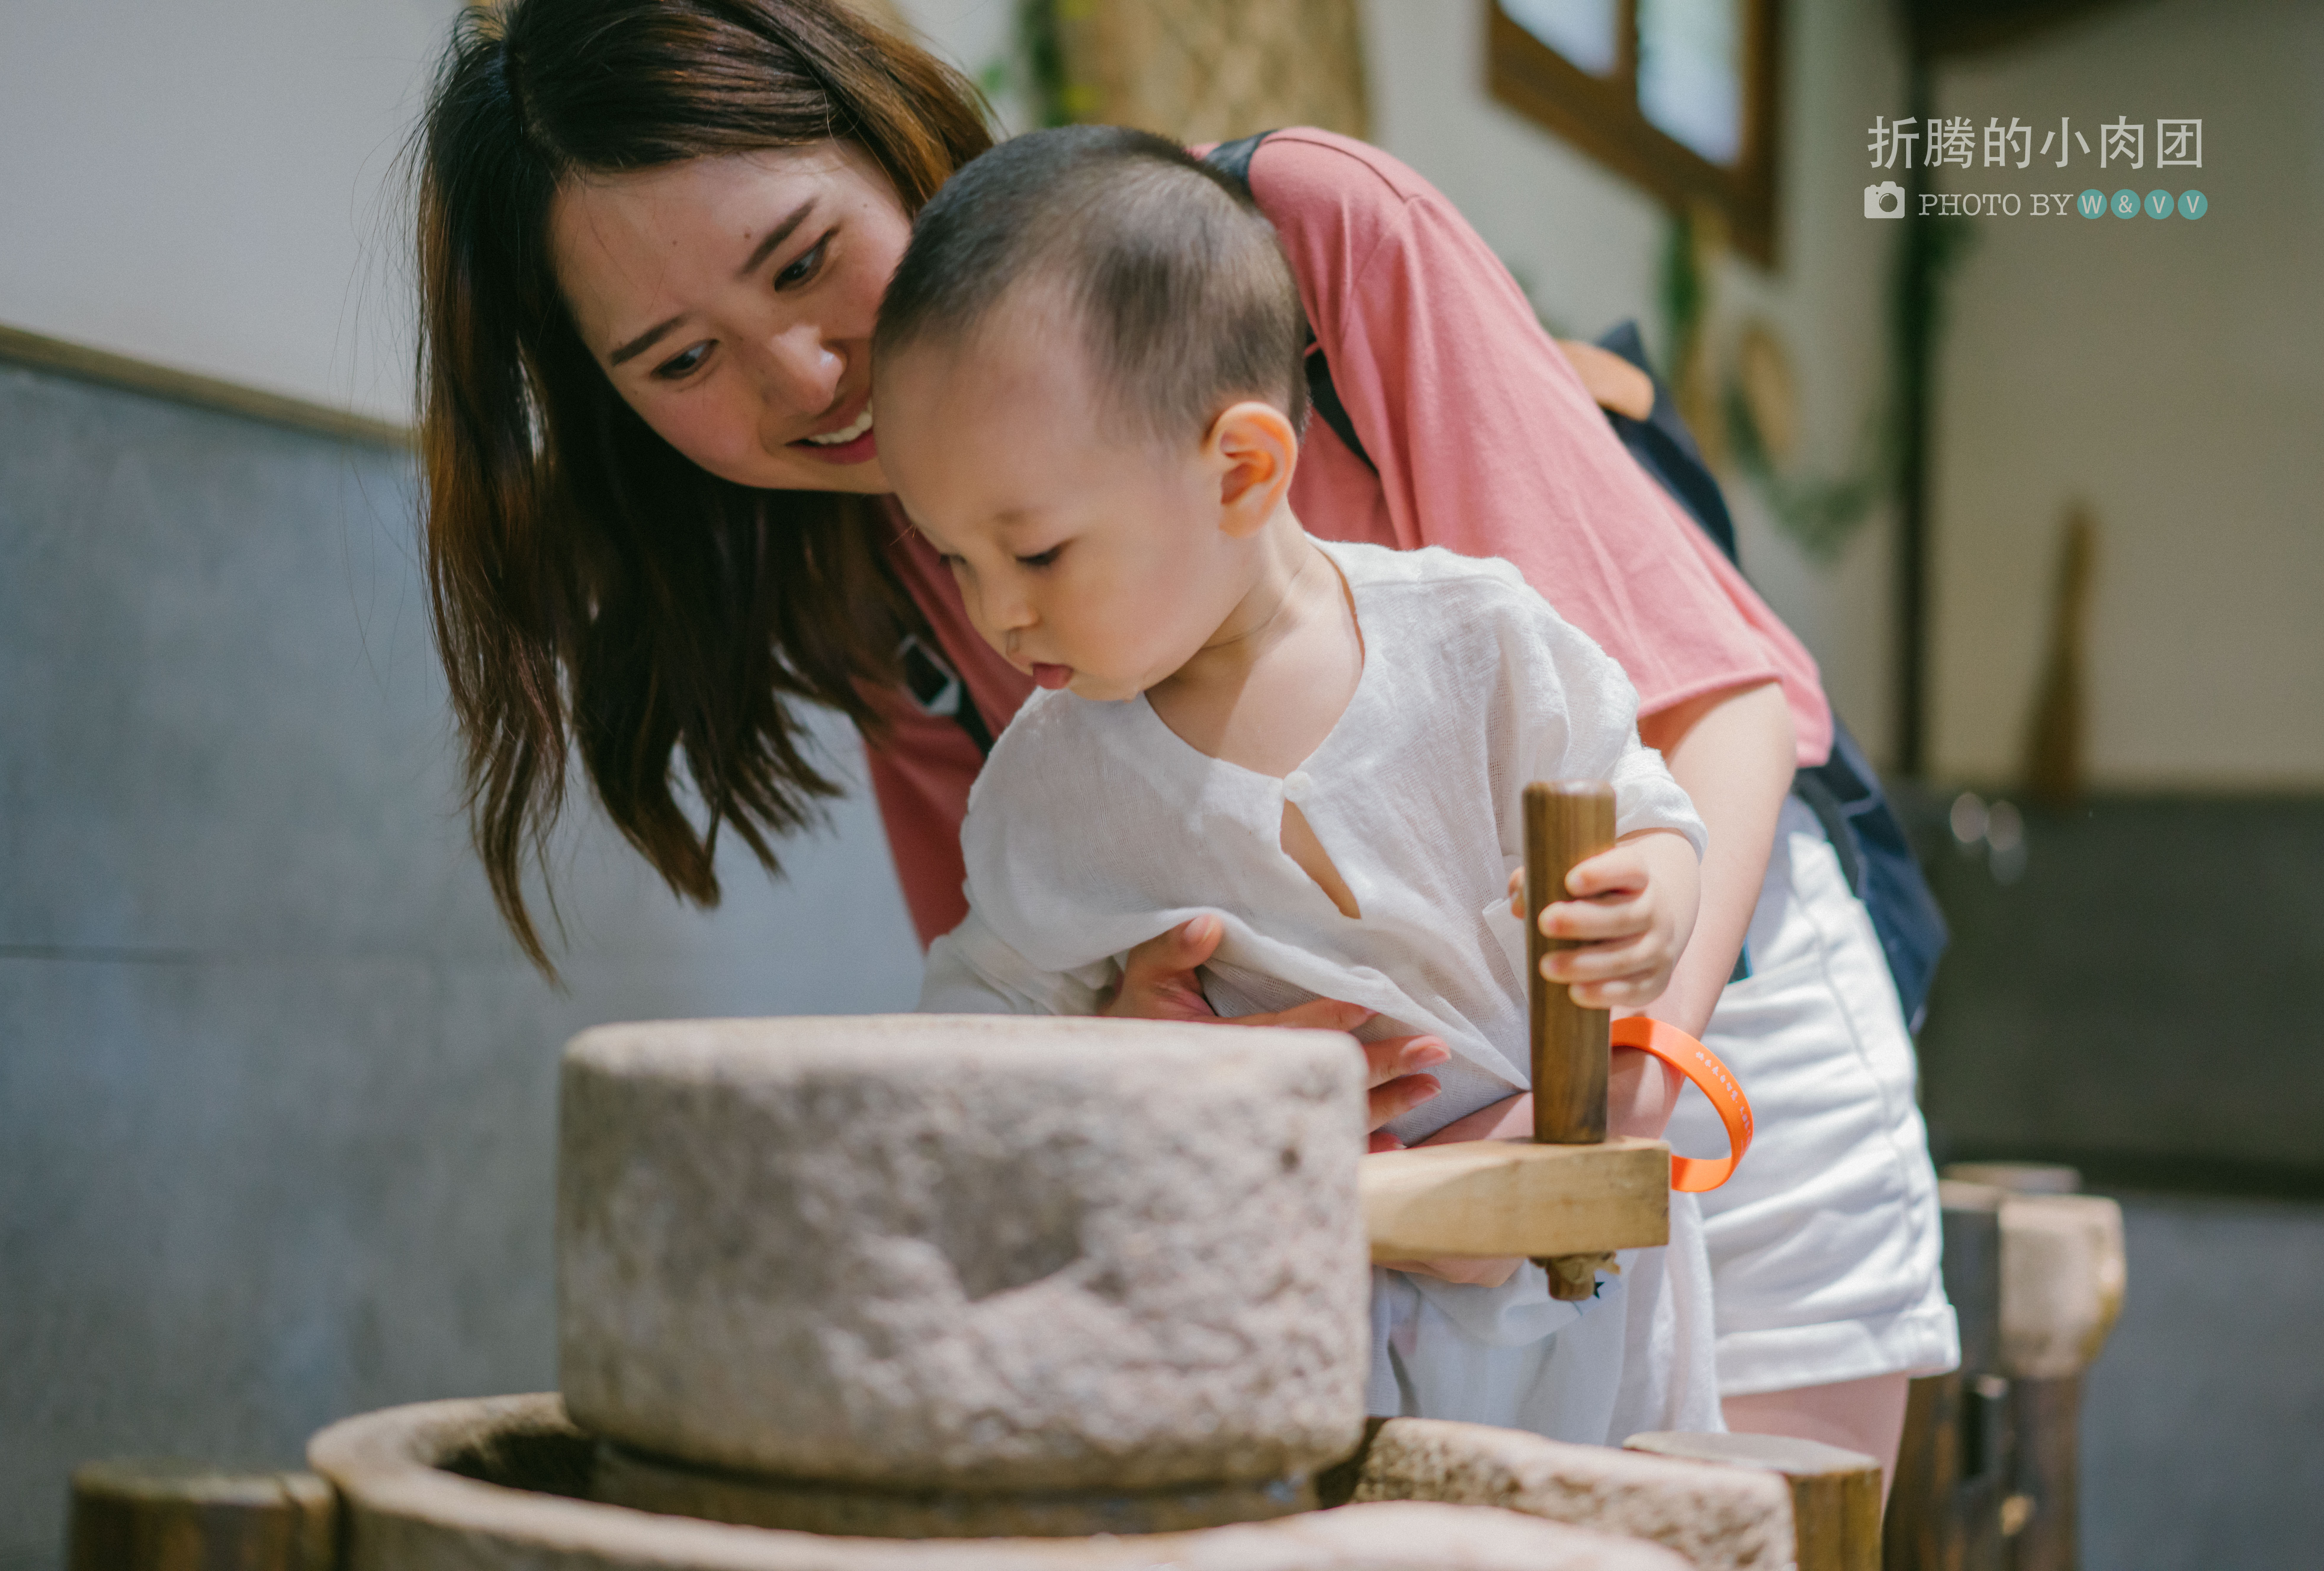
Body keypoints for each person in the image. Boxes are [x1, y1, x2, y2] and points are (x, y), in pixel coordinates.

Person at [414, 0, 1953, 1480]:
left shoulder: (1305, 238)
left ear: (887, 133)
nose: (807, 375)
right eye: (682, 360)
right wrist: (1140, 1061)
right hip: (1376, 1199)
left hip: (1696, 1002)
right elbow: (1016, 995)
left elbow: (1714, 706)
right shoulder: (881, 591)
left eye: (806, 259)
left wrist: (1612, 1084)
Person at [871, 125, 1716, 1440]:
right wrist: (1107, 1061)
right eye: (957, 563)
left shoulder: (1475, 639)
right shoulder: (1045, 788)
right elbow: (974, 1038)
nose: (994, 616)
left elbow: (1642, 798)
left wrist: (1650, 893)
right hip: (1279, 1331)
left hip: (1575, 1282)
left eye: (1033, 553)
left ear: (1241, 469)